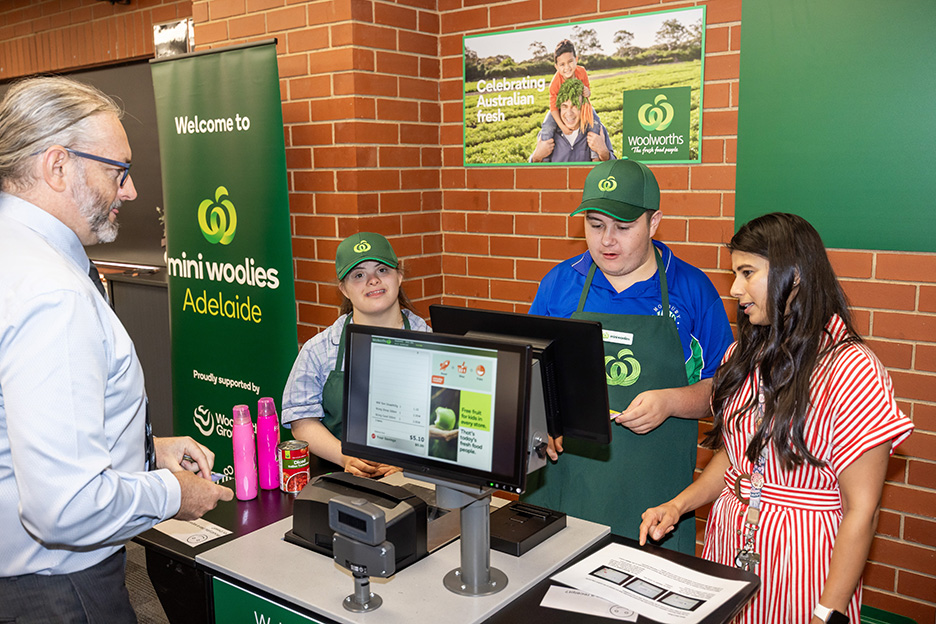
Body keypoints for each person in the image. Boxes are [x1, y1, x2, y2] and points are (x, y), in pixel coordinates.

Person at [0, 76, 232, 623]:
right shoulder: (52, 292)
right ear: (57, 166)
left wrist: (144, 451)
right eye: (117, 171)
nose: (128, 191)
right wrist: (170, 492)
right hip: (57, 591)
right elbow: (67, 507)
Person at [639, 213, 914, 624]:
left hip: (805, 567)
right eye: (735, 274)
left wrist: (827, 612)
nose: (735, 289)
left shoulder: (853, 369)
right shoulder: (743, 357)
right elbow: (739, 460)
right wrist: (679, 505)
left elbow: (863, 509)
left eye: (747, 272)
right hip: (727, 550)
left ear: (796, 275)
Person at [523, 158, 733, 552]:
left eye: (623, 228)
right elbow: (529, 374)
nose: (606, 241)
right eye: (595, 225)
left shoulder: (692, 290)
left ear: (654, 223)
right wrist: (539, 423)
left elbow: (723, 393)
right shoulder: (560, 284)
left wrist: (671, 401)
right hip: (564, 487)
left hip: (652, 500)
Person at [281, 232, 430, 478]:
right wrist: (345, 456)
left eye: (382, 270)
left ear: (399, 276)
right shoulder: (319, 350)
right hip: (341, 479)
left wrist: (409, 463)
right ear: (344, 289)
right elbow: (302, 420)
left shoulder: (431, 343)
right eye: (359, 275)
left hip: (415, 480)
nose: (373, 280)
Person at [530, 78, 614, 163]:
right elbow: (531, 173)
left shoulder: (598, 131)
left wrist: (604, 152)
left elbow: (613, 169)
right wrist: (537, 157)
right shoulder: (548, 133)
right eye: (564, 106)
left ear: (583, 107)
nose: (569, 113)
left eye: (575, 106)